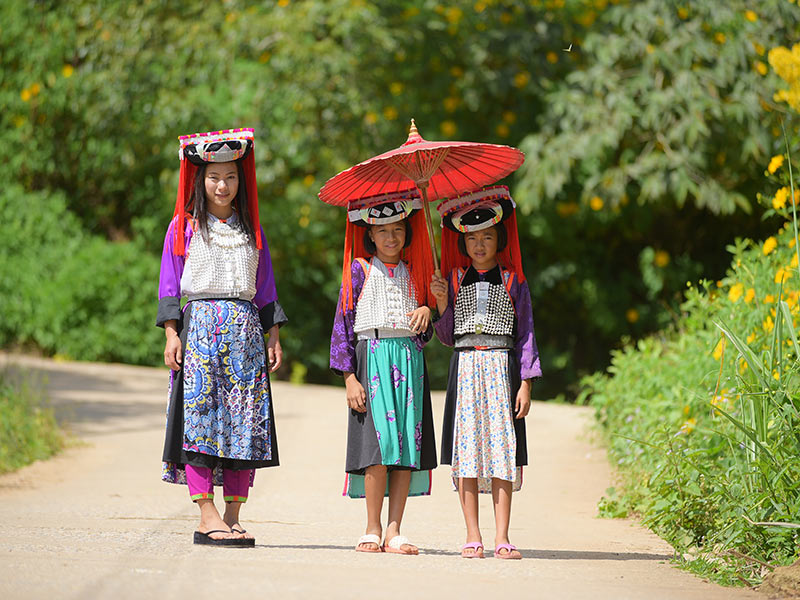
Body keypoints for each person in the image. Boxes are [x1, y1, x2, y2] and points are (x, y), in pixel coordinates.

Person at [156, 128, 287, 547]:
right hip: (200, 337)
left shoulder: (254, 231)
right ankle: (205, 513)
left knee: (243, 425)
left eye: (230, 177)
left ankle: (232, 513)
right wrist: (172, 335)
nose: (222, 185)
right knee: (200, 423)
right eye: (214, 177)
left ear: (240, 181)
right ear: (200, 179)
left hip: (246, 336)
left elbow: (265, 289)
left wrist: (274, 336)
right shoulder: (184, 227)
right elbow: (170, 286)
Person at [430, 185, 541, 560]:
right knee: (467, 449)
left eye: (487, 237)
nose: (479, 245)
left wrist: (525, 382)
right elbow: (446, 337)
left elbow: (525, 333)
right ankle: (472, 534)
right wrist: (442, 303)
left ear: (499, 238)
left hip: (501, 367)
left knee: (501, 450)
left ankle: (503, 536)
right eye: (472, 238)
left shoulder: (513, 281)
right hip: (465, 366)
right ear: (463, 242)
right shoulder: (454, 279)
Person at [329, 189, 437, 555]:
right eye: (383, 230)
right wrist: (349, 377)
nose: (391, 238)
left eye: (398, 230)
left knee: (404, 447)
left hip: (408, 362)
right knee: (378, 448)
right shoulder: (359, 270)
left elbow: (426, 334)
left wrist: (428, 309)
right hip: (371, 358)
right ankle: (371, 526)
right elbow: (342, 324)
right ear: (370, 234)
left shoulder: (418, 273)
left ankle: (395, 530)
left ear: (407, 234)